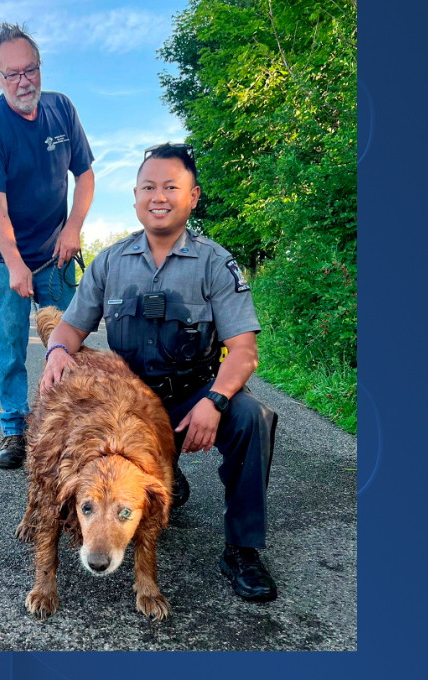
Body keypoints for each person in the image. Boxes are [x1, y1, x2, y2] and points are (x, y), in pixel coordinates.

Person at [37, 143, 279, 602]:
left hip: (192, 396)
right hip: (127, 404)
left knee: (253, 418)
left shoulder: (214, 263)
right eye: (149, 186)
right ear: (135, 197)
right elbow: (70, 327)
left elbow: (244, 352)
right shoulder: (110, 262)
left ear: (193, 196)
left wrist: (216, 401)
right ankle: (160, 474)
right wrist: (55, 352)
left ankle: (242, 550)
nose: (159, 196)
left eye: (172, 186)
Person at [0, 22, 95, 470]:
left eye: (31, 70)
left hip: (56, 249)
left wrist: (73, 227)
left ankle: (73, 423)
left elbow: (85, 175)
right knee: (10, 342)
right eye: (12, 74)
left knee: (68, 337)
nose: (24, 81)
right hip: (6, 256)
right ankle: (14, 428)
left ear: (40, 67)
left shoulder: (62, 110)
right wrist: (16, 264)